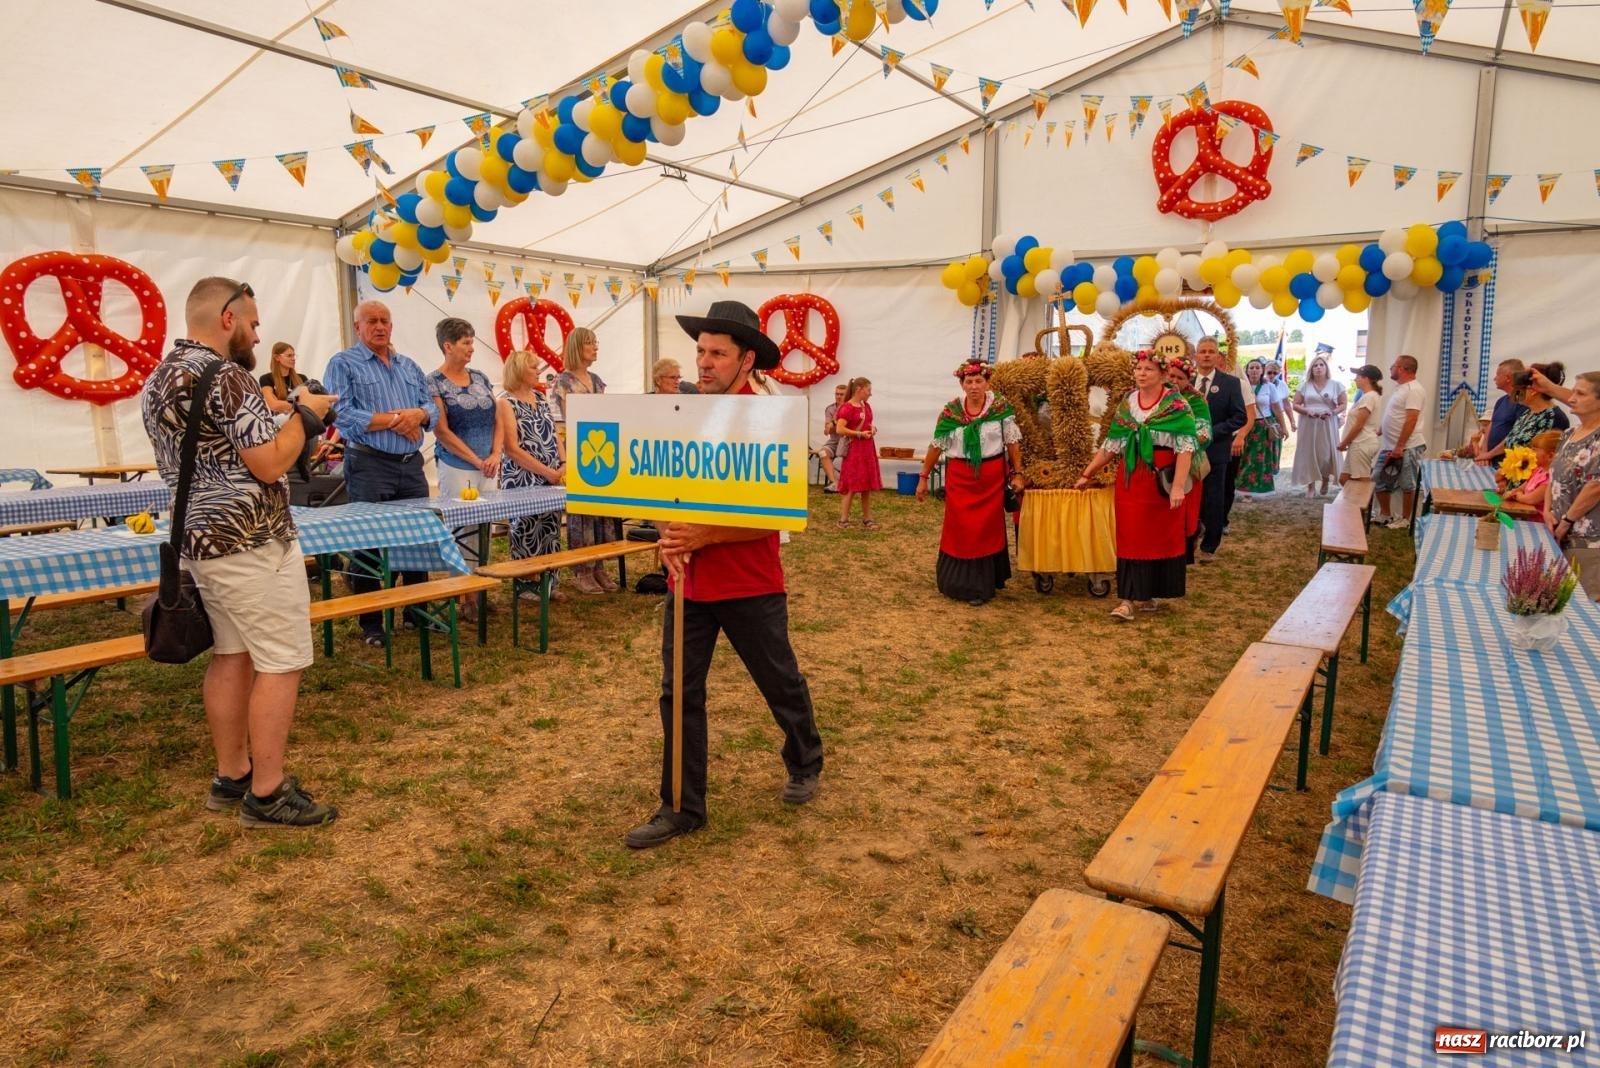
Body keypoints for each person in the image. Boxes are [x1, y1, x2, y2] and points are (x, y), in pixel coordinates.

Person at [624, 300, 824, 850]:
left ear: (747, 359)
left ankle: (806, 758)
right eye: (700, 351)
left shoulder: (767, 418)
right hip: (690, 582)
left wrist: (705, 534)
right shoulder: (682, 414)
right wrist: (669, 533)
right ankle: (682, 806)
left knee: (778, 679)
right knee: (679, 692)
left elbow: (778, 514)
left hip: (751, 580)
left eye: (717, 353)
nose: (704, 363)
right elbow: (664, 486)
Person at [141, 277, 339, 827]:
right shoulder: (226, 377)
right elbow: (271, 463)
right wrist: (304, 414)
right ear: (227, 318)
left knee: (231, 655)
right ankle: (268, 793)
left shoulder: (159, 379)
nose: (256, 333)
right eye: (252, 322)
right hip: (250, 538)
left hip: (199, 541)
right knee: (283, 659)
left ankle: (233, 776)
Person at [322, 300, 439, 647]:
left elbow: (431, 407)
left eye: (384, 320)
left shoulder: (409, 366)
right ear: (358, 327)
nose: (379, 326)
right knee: (368, 542)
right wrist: (394, 420)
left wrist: (417, 415)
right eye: (371, 321)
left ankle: (417, 611)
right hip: (370, 464)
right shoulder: (343, 363)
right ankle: (371, 623)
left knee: (416, 538)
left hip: (410, 464)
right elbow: (341, 413)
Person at [1073, 350, 1197, 622]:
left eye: (1148, 369)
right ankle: (1127, 600)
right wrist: (1088, 473)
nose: (1141, 373)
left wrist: (1177, 487)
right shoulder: (1129, 404)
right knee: (1130, 537)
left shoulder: (1177, 406)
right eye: (1139, 368)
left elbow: (1185, 448)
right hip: (1131, 479)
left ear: (1163, 375)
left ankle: (1147, 595)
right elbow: (1111, 444)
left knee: (1157, 537)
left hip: (1161, 479)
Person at [914, 360, 1024, 605]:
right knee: (960, 529)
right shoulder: (951, 411)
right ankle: (957, 582)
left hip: (991, 479)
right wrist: (923, 477)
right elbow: (936, 445)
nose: (974, 386)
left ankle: (982, 584)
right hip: (960, 479)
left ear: (987, 383)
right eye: (969, 382)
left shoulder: (1000, 408)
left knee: (987, 529)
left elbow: (1012, 442)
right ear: (962, 384)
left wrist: (1018, 472)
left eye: (978, 381)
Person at [427, 318, 503, 622]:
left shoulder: (481, 377)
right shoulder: (434, 382)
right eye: (466, 342)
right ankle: (465, 596)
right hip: (456, 463)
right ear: (448, 346)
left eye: (472, 341)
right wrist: (475, 459)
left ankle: (481, 587)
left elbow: (498, 417)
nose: (472, 348)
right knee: (461, 532)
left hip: (488, 463)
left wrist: (496, 453)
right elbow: (441, 430)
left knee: (484, 529)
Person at [552, 327, 622, 594]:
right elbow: (573, 418)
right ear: (577, 348)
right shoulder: (564, 381)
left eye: (596, 343)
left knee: (600, 507)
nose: (595, 348)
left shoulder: (596, 379)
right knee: (581, 511)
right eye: (590, 344)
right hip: (580, 447)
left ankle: (600, 565)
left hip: (602, 447)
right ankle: (582, 569)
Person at [497, 350, 568, 603]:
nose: (538, 371)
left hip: (551, 473)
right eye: (533, 367)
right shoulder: (505, 403)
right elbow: (512, 449)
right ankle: (527, 582)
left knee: (550, 527)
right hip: (522, 476)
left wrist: (563, 462)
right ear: (518, 371)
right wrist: (546, 471)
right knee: (526, 528)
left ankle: (551, 580)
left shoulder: (540, 397)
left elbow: (553, 433)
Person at [1192, 335, 1249, 564]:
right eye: (1202, 351)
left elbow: (1239, 417)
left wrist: (1212, 432)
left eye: (1210, 351)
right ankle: (1188, 541)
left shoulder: (1231, 384)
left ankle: (1209, 546)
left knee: (1214, 499)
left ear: (1217, 356)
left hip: (1216, 450)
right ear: (1195, 356)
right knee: (1190, 498)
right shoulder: (1184, 383)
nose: (1206, 355)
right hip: (1188, 451)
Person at [1545, 371, 1600, 601]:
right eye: (1573, 391)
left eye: (1581, 393)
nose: (1572, 397)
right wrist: (1547, 512)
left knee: (1586, 603)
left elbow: (1595, 487)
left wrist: (1566, 521)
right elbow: (1552, 477)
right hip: (1558, 531)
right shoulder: (1569, 433)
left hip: (1587, 540)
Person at [1479, 362, 1570, 471]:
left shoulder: (1554, 418)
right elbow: (1509, 441)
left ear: (1533, 390)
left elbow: (1547, 463)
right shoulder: (1527, 414)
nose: (1515, 392)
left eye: (1518, 388)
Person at [1165, 353, 1212, 561]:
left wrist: (1185, 439)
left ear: (1188, 380)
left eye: (1180, 378)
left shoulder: (1196, 400)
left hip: (1187, 463)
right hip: (1161, 460)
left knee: (1185, 510)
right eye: (1171, 376)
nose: (1174, 381)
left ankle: (1185, 546)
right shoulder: (1158, 395)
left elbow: (1204, 432)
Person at [1372, 354, 1427, 529]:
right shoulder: (1401, 388)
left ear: (1403, 369)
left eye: (1394, 365)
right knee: (1378, 478)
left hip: (1407, 446)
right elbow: (1394, 413)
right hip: (1390, 445)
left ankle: (1405, 519)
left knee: (1407, 483)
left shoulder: (1414, 390)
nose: (1391, 368)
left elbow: (1411, 419)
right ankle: (1386, 514)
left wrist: (1400, 446)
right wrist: (1381, 429)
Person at [1291, 353, 1345, 497]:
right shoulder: (1304, 386)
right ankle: (1311, 486)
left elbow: (1343, 404)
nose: (1319, 368)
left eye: (1321, 365)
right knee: (1309, 453)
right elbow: (1295, 404)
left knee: (1326, 454)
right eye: (1315, 365)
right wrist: (1308, 411)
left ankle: (1326, 479)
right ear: (1311, 369)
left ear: (1326, 368)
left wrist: (1333, 412)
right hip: (1309, 423)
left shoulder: (1336, 385)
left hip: (1328, 423)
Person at [835, 377, 883, 528]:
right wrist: (859, 434)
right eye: (868, 390)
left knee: (866, 484)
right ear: (859, 389)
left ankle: (867, 518)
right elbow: (839, 429)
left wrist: (872, 429)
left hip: (867, 449)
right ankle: (843, 519)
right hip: (854, 451)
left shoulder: (866, 406)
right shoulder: (847, 408)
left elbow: (868, 423)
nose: (870, 393)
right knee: (851, 485)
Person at [1458, 359, 1525, 458]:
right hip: (1490, 458)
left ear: (1507, 378)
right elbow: (1491, 426)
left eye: (1498, 374)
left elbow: (1515, 435)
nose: (1494, 378)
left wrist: (1489, 454)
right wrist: (1485, 451)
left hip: (1507, 461)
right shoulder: (1501, 401)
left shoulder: (1522, 402)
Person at [1236, 359, 1278, 496]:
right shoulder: (1240, 385)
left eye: (1257, 367)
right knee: (1244, 457)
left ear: (1262, 370)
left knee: (1259, 458)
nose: (1254, 370)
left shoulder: (1269, 387)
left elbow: (1276, 407)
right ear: (1246, 370)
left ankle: (1259, 488)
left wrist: (1284, 426)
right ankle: (1242, 489)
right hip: (1245, 425)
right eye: (1251, 367)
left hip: (1262, 426)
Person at [1336, 365, 1384, 484]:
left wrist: (1344, 442)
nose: (1355, 379)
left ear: (1366, 378)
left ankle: (1364, 502)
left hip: (1362, 443)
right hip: (1358, 443)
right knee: (1344, 479)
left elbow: (1359, 425)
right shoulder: (1368, 396)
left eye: (1358, 376)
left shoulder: (1369, 397)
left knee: (1361, 481)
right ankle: (1353, 501)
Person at [1504, 430, 1561, 521]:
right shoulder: (1537, 471)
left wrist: (1516, 495)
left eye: (1534, 450)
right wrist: (1514, 492)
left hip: (1538, 521)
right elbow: (1521, 488)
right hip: (1525, 515)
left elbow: (1531, 499)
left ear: (1550, 456)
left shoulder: (1549, 478)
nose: (1530, 452)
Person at [258, 342, 325, 415]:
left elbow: (311, 402)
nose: (293, 359)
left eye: (294, 356)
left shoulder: (302, 378)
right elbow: (273, 405)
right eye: (289, 356)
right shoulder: (266, 379)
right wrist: (300, 404)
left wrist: (284, 405)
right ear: (277, 357)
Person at [816, 382, 847, 493]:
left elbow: (842, 429)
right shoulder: (830, 409)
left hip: (847, 440)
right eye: (837, 394)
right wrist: (833, 425)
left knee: (840, 460)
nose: (838, 396)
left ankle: (842, 481)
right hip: (834, 440)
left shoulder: (851, 408)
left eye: (842, 394)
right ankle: (835, 483)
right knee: (822, 453)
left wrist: (834, 423)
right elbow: (827, 431)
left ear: (847, 395)